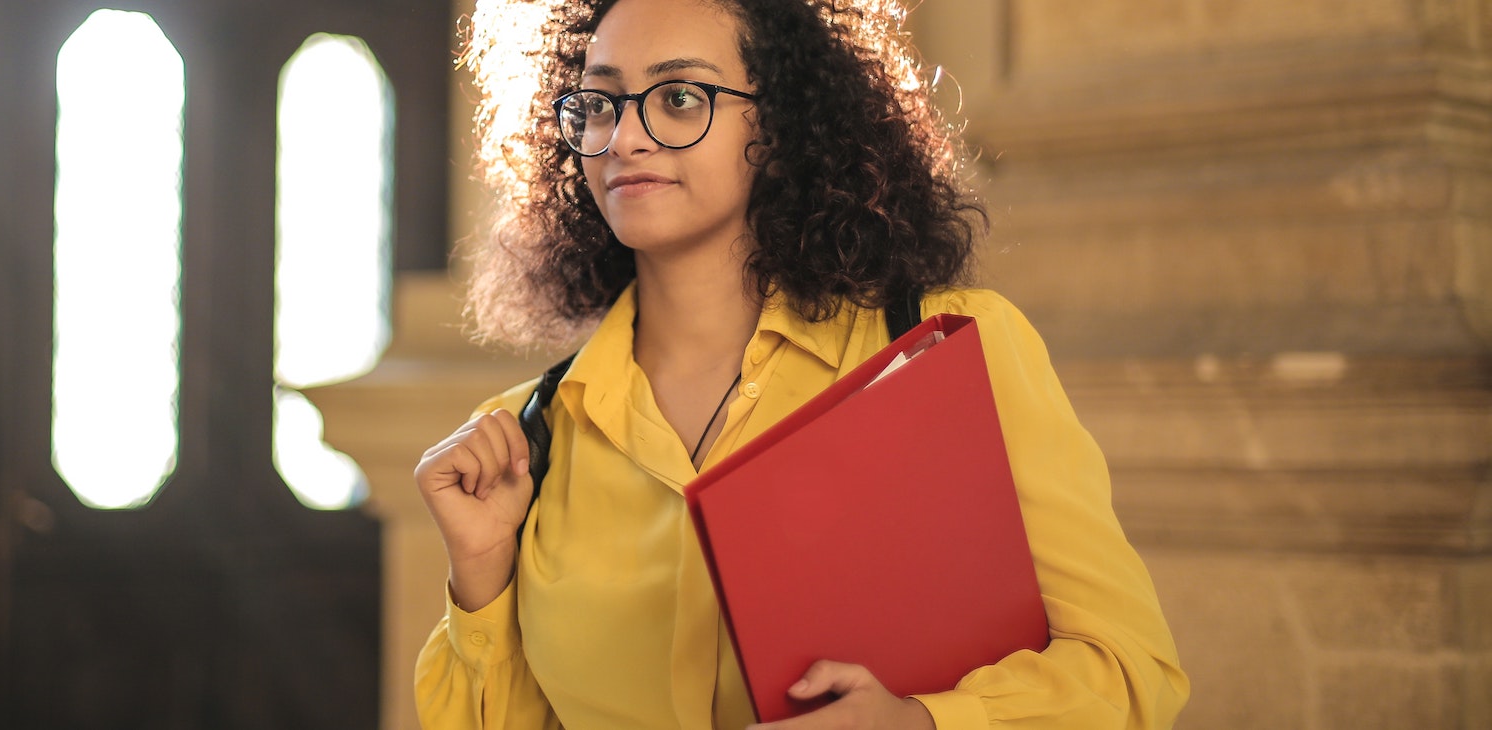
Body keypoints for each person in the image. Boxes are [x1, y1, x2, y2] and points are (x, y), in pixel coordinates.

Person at [412, 0, 1190, 727]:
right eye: (600, 103)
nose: (625, 137)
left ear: (780, 122)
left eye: (680, 96)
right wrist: (481, 573)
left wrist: (922, 722)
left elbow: (1129, 671)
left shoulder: (945, 352)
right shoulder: (532, 439)